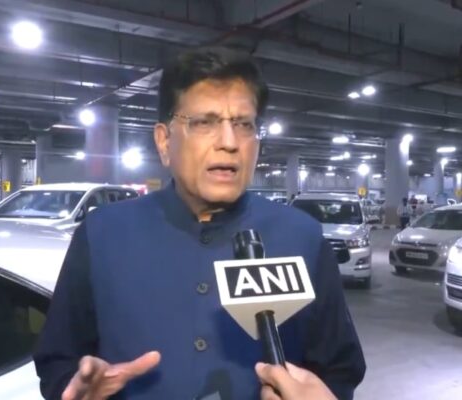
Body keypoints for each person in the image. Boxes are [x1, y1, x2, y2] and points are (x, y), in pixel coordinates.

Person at [34, 47, 365, 400]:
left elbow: (339, 369)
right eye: (204, 123)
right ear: (164, 141)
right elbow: (58, 361)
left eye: (244, 125)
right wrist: (72, 388)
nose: (229, 143)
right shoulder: (102, 235)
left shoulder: (303, 237)